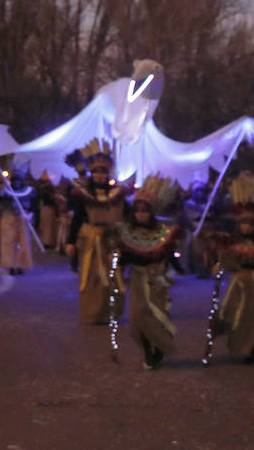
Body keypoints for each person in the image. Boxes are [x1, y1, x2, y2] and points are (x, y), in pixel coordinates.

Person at [117, 176, 182, 369]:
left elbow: (169, 255)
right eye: (137, 210)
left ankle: (159, 349)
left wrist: (179, 269)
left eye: (145, 211)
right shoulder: (127, 234)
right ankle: (147, 350)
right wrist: (117, 264)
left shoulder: (163, 234)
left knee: (157, 316)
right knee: (138, 318)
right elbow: (124, 259)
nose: (141, 214)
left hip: (157, 281)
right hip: (138, 281)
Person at [211, 174, 254, 363]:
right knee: (235, 316)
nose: (246, 227)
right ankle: (238, 346)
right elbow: (223, 259)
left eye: (249, 223)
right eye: (243, 223)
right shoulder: (231, 243)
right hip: (238, 284)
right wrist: (219, 266)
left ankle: (251, 348)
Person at [65, 141, 128, 323]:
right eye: (96, 172)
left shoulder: (117, 194)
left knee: (112, 276)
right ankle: (93, 313)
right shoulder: (83, 194)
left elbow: (127, 216)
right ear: (91, 173)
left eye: (103, 172)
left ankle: (110, 313)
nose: (100, 176)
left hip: (111, 241)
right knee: (93, 277)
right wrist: (70, 241)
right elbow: (78, 218)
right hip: (91, 240)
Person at [0, 169, 34, 276]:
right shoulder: (6, 192)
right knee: (8, 242)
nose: (17, 183)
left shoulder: (28, 191)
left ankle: (20, 265)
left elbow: (32, 205)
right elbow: (0, 202)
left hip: (23, 219)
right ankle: (11, 265)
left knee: (23, 243)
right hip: (9, 219)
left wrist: (30, 214)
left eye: (19, 180)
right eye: (15, 180)